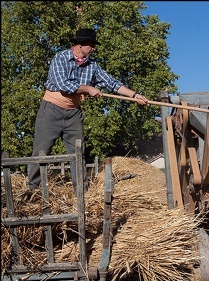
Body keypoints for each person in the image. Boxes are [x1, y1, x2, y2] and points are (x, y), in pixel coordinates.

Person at [27, 28, 148, 192]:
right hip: (51, 110)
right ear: (81, 44)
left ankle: (81, 193)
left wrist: (135, 95)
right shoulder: (60, 58)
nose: (94, 48)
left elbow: (112, 83)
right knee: (41, 151)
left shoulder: (93, 66)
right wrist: (88, 88)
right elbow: (63, 85)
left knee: (78, 153)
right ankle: (32, 189)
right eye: (91, 44)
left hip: (73, 114)